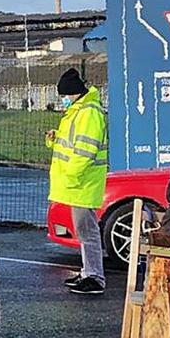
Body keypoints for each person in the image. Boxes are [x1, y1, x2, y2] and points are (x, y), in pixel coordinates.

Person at [47, 68, 109, 295]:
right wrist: (56, 138)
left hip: (83, 182)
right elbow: (74, 144)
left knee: (87, 231)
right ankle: (88, 272)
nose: (63, 100)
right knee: (84, 231)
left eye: (64, 95)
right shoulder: (80, 111)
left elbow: (86, 150)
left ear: (72, 93)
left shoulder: (88, 112)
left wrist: (71, 176)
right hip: (79, 182)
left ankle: (95, 277)